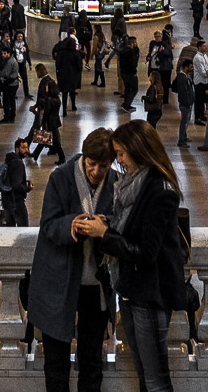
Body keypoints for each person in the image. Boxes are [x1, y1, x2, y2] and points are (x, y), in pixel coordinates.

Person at [80, 120, 186, 392]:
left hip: (150, 296)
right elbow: (134, 228)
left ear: (139, 150)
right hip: (130, 290)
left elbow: (146, 252)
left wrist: (106, 234)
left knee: (156, 381)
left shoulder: (160, 190)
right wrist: (111, 223)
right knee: (144, 376)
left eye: (122, 153)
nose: (119, 160)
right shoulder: (132, 184)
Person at [28, 128, 117, 392]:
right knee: (56, 361)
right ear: (84, 157)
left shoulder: (115, 181)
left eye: (104, 166)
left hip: (95, 288)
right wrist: (74, 225)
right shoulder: (61, 177)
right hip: (60, 283)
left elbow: (122, 221)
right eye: (92, 164)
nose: (97, 171)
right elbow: (48, 225)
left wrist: (106, 225)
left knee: (91, 360)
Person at [1, 137, 33, 226]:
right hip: (16, 202)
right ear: (17, 149)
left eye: (27, 147)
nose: (26, 150)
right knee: (23, 228)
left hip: (6, 200)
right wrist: (28, 188)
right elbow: (17, 185)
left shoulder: (9, 160)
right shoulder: (18, 164)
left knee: (9, 229)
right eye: (23, 148)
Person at [175, 58, 195, 147]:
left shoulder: (186, 75)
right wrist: (187, 104)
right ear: (186, 67)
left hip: (188, 103)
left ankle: (184, 136)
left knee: (186, 121)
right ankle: (181, 140)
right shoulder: (182, 77)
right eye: (191, 67)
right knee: (184, 122)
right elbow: (184, 93)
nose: (192, 68)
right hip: (185, 104)